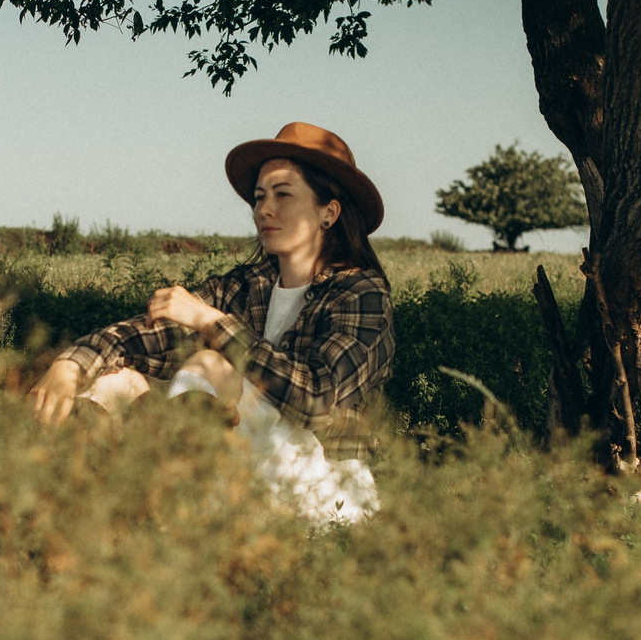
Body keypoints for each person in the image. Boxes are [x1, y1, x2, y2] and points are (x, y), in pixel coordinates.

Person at [29, 122, 394, 522]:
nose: (263, 210)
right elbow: (148, 336)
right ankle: (69, 506)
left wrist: (211, 322)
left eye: (283, 194)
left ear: (329, 212)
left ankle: (162, 507)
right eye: (259, 197)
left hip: (318, 489)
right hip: (242, 464)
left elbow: (318, 400)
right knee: (119, 382)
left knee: (210, 363)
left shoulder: (361, 293)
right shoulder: (248, 286)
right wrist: (69, 365)